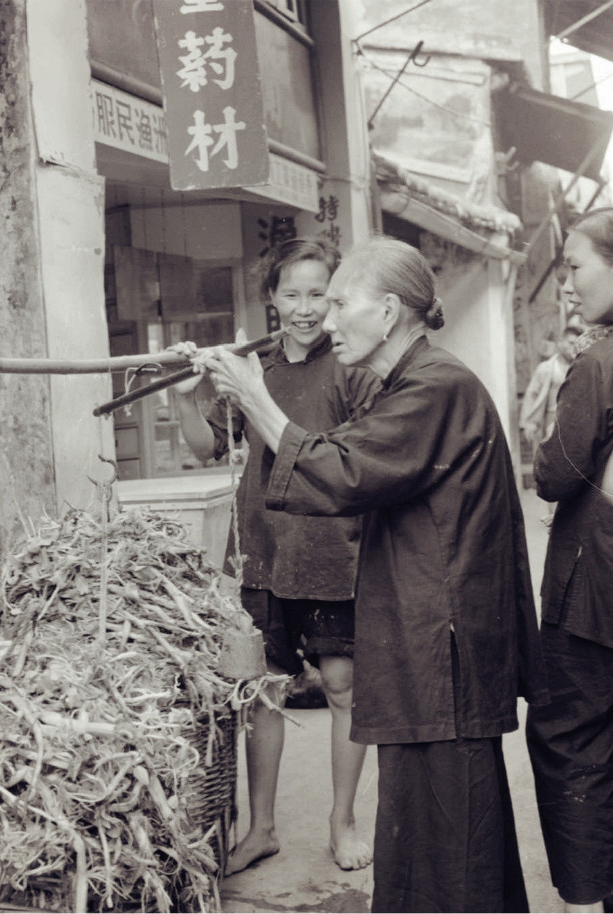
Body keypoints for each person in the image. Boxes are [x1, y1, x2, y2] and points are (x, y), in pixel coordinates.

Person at [199, 237, 547, 913]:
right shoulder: (408, 383)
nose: (325, 320)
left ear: (388, 313)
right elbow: (343, 447)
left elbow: (343, 469)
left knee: (452, 831)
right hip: (423, 644)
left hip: (440, 652)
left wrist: (252, 393)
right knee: (428, 830)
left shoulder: (437, 388)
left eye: (338, 302)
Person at [173, 237, 378, 874]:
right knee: (264, 692)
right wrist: (186, 395)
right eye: (292, 294)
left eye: (319, 293)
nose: (306, 308)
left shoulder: (351, 366)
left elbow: (356, 465)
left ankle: (341, 822)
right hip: (263, 551)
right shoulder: (252, 364)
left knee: (343, 687)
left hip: (335, 550)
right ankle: (261, 828)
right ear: (271, 300)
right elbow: (205, 449)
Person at [525, 207, 613, 913]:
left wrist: (541, 450)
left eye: (578, 267)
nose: (568, 286)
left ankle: (587, 896)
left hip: (594, 589)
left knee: (571, 736)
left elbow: (555, 474)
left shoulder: (595, 363)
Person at [519, 326, 579, 451]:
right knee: (550, 453)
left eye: (577, 344)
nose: (574, 348)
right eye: (571, 343)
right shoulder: (546, 368)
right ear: (560, 342)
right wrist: (529, 423)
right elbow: (532, 394)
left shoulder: (581, 367)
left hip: (575, 419)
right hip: (551, 418)